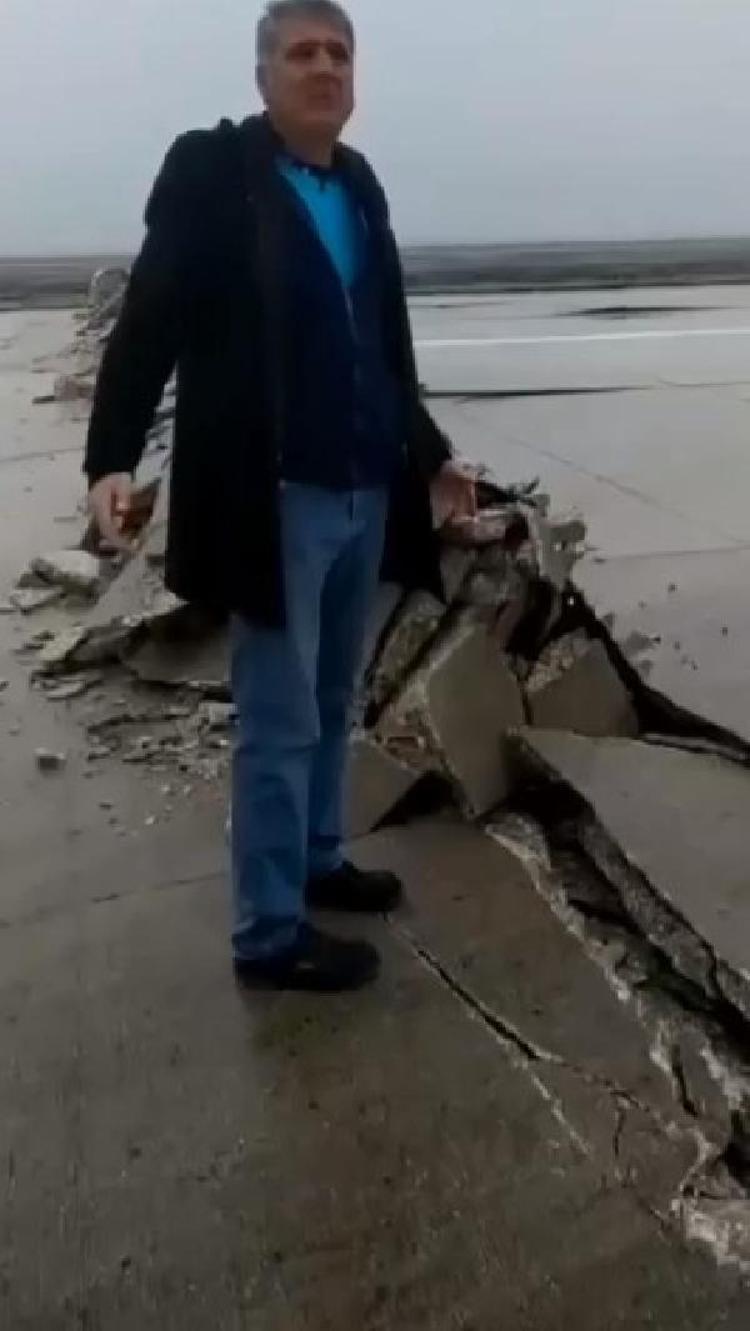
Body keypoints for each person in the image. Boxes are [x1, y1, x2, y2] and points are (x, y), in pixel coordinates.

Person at [85, 0, 476, 992]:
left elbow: (382, 346)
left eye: (340, 52)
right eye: (302, 52)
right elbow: (151, 317)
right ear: (263, 77)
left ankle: (316, 857)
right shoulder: (214, 172)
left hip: (362, 491)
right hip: (274, 500)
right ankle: (267, 931)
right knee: (277, 714)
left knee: (335, 697)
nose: (324, 67)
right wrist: (111, 456)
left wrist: (429, 454)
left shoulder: (360, 183)